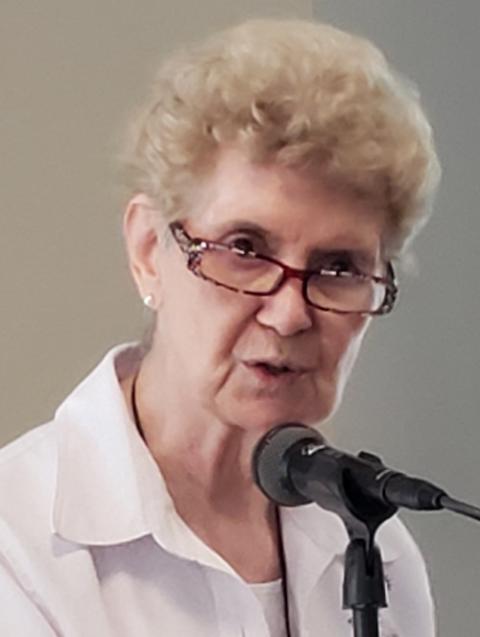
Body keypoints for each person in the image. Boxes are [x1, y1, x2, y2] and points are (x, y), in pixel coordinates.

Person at [0, 18, 440, 637]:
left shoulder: (377, 553)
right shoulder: (16, 546)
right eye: (245, 247)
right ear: (150, 249)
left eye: (339, 267)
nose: (289, 313)